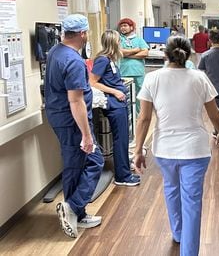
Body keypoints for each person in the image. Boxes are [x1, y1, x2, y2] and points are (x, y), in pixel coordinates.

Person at [133, 36, 219, 256]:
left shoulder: (152, 78)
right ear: (189, 54)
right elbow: (214, 113)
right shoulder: (199, 78)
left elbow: (144, 119)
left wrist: (138, 150)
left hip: (165, 149)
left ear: (165, 54)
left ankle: (177, 233)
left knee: (171, 189)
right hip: (195, 150)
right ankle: (189, 251)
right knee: (192, 201)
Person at [44, 14, 104, 238]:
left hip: (60, 117)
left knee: (76, 164)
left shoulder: (55, 52)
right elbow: (76, 100)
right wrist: (86, 135)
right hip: (72, 122)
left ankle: (77, 213)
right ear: (83, 34)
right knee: (91, 161)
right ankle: (72, 207)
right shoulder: (74, 61)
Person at [89, 30, 141, 187]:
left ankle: (124, 170)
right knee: (120, 140)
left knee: (123, 139)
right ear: (113, 43)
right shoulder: (102, 60)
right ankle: (122, 176)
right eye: (119, 41)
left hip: (119, 103)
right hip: (114, 103)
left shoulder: (110, 60)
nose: (121, 43)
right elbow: (92, 81)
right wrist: (115, 91)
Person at [118, 18, 149, 113]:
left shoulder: (139, 39)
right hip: (124, 72)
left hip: (138, 72)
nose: (123, 28)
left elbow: (145, 53)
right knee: (126, 95)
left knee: (140, 95)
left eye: (125, 26)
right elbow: (120, 52)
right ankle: (128, 116)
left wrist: (128, 55)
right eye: (121, 26)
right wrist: (135, 50)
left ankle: (139, 115)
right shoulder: (119, 39)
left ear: (131, 27)